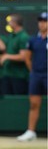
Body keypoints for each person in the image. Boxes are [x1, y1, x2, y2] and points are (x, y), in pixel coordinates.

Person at [17, 12, 48, 141]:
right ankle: (31, 132)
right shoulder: (33, 40)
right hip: (36, 75)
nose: (42, 23)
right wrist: (34, 72)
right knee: (34, 104)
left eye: (45, 21)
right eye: (40, 21)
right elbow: (28, 58)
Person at [0, 13, 30, 95]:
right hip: (8, 74)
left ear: (15, 23)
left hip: (19, 76)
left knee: (19, 101)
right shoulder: (11, 36)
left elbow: (23, 57)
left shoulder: (23, 37)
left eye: (10, 21)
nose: (8, 23)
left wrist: (7, 57)